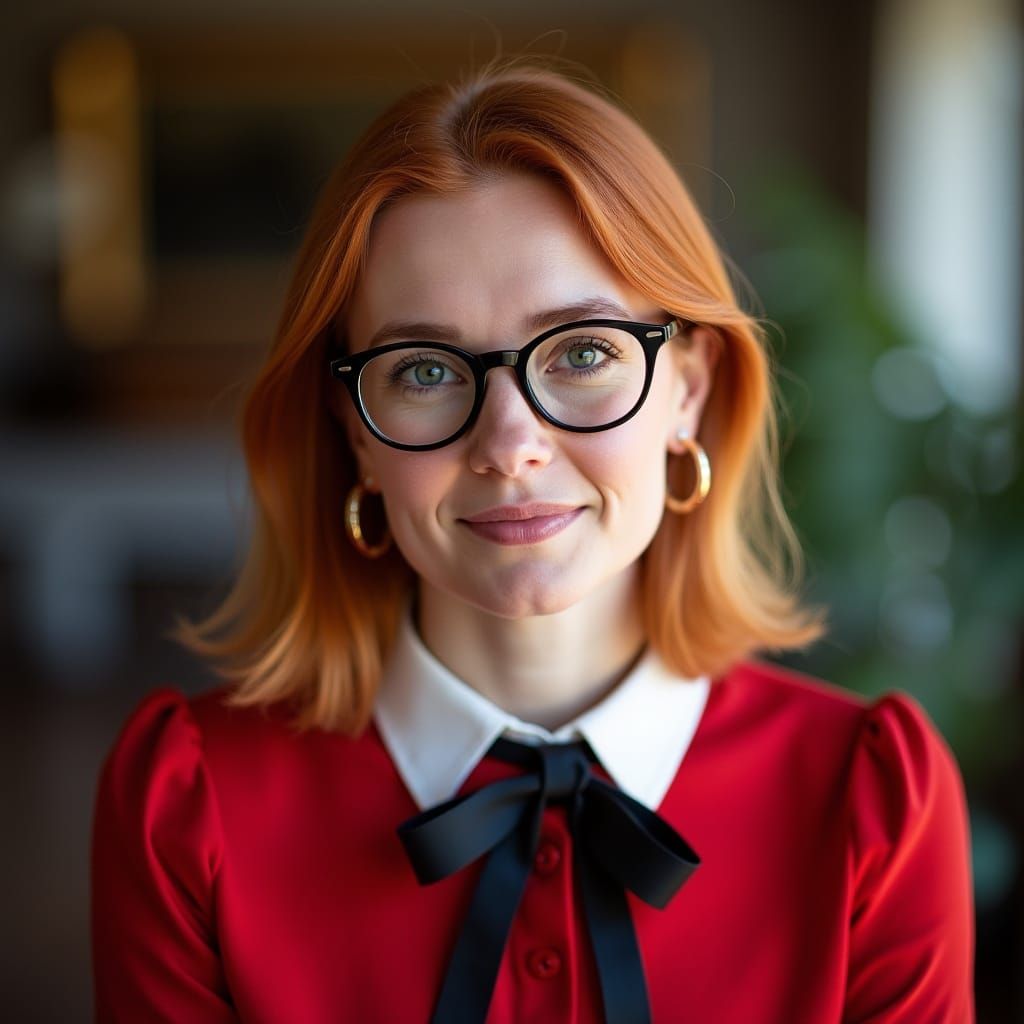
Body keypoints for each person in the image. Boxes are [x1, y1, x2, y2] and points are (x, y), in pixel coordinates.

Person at [90, 59, 976, 1023]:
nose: (509, 445)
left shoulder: (873, 803)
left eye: (585, 353)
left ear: (688, 387)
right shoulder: (187, 805)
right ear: (353, 427)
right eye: (424, 369)